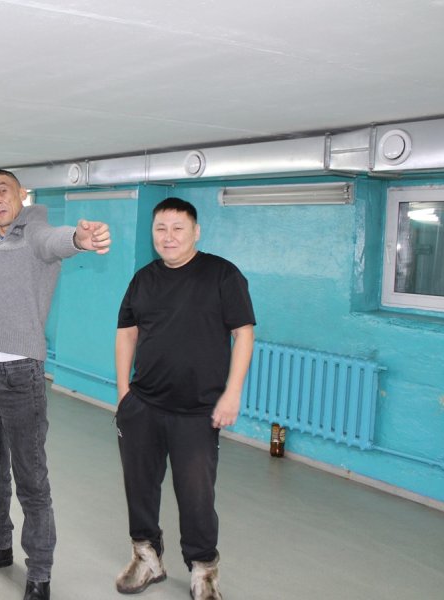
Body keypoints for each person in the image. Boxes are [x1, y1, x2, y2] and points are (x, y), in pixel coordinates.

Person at [0, 169, 112, 600]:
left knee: (31, 480)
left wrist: (80, 238)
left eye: (3, 191)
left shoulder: (33, 232)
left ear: (22, 194)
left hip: (21, 375)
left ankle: (39, 571)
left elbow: (56, 240)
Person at [114, 197, 255, 600]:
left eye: (178, 228)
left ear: (196, 232)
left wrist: (232, 393)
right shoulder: (143, 279)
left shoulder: (222, 275)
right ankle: (146, 557)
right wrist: (124, 394)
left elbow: (244, 334)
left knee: (196, 496)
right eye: (161, 228)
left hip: (197, 411)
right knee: (139, 487)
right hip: (143, 405)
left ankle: (203, 568)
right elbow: (127, 333)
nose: (169, 236)